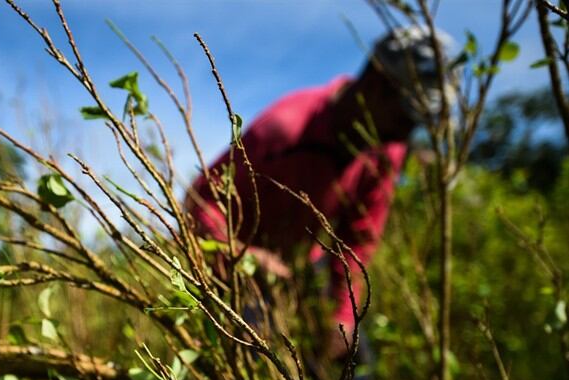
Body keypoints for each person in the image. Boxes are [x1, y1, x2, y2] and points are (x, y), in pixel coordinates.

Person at [186, 27, 453, 361]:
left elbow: (358, 240)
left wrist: (341, 317)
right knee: (252, 353)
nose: (405, 133)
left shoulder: (387, 151)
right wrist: (240, 255)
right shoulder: (285, 129)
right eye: (404, 116)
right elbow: (200, 201)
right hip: (239, 266)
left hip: (304, 267)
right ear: (375, 85)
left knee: (354, 364)